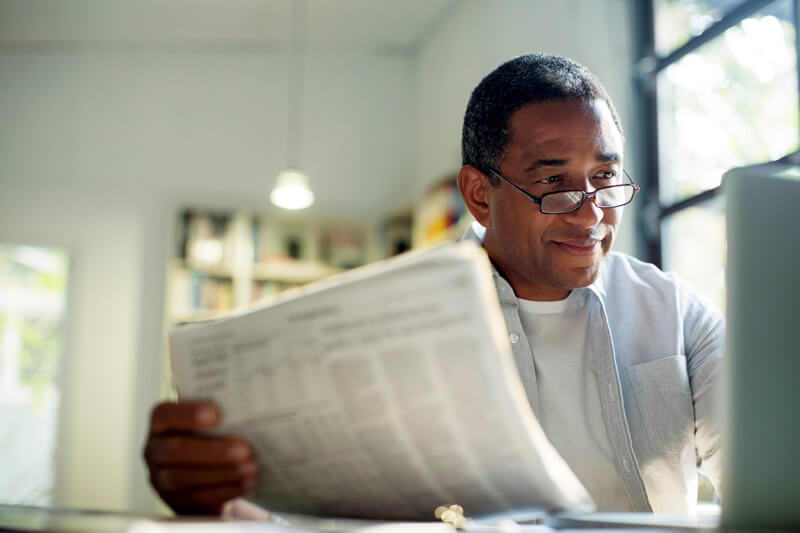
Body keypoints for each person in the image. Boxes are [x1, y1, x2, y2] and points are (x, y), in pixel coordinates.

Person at [144, 53, 723, 517]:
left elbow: (770, 475)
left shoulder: (677, 312)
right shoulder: (382, 322)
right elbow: (301, 512)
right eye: (554, 182)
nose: (592, 213)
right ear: (478, 195)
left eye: (604, 176)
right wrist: (215, 498)